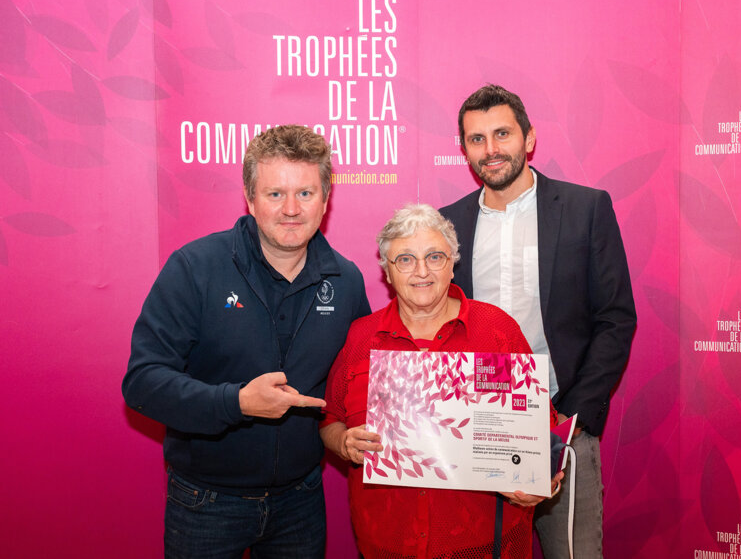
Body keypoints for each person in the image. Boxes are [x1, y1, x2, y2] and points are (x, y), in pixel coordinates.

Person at [123, 125, 371, 559]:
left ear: (326, 198)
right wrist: (236, 402)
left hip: (301, 502)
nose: (291, 209)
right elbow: (142, 383)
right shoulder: (195, 267)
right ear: (250, 197)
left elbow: (359, 383)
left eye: (305, 193)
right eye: (275, 194)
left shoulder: (346, 280)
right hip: (206, 503)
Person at [439, 84, 637, 559]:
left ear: (529, 138)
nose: (491, 149)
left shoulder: (586, 209)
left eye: (502, 134)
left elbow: (615, 318)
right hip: (475, 428)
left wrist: (577, 415)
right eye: (477, 138)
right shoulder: (447, 225)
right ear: (464, 149)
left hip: (561, 425)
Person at [320, 204, 562, 559]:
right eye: (405, 259)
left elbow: (542, 426)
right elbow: (330, 419)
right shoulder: (362, 338)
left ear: (452, 265)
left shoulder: (495, 331)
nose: (422, 271)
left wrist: (540, 476)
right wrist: (343, 442)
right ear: (387, 271)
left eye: (434, 257)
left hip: (484, 545)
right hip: (388, 545)